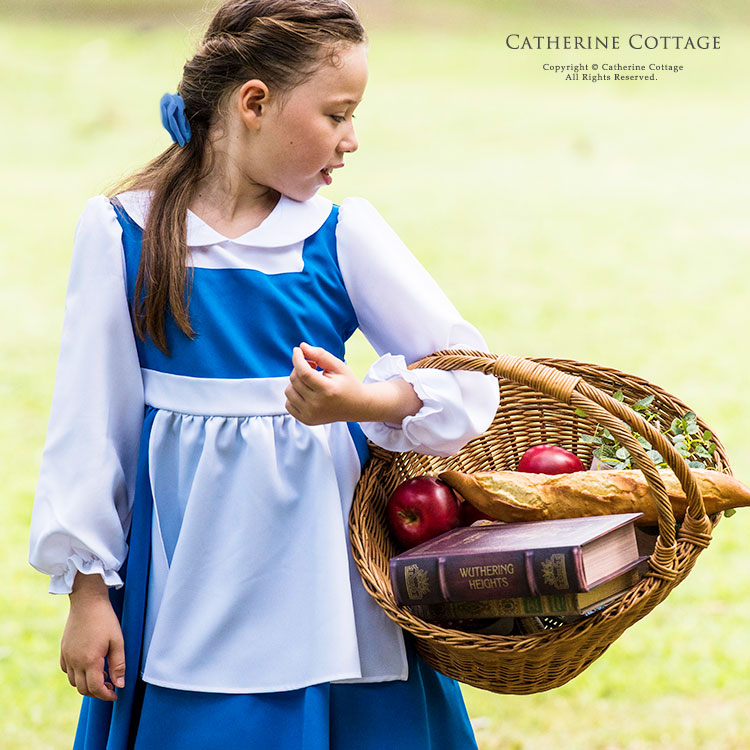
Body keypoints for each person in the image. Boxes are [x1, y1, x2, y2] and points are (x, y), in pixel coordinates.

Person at [28, 1, 499, 747]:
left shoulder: (342, 234)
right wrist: (89, 592)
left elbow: (468, 382)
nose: (351, 140)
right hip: (187, 572)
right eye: (337, 113)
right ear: (254, 103)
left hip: (330, 579)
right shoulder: (123, 231)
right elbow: (90, 427)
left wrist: (358, 400)